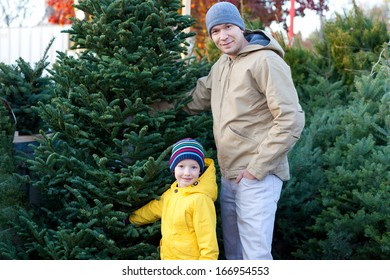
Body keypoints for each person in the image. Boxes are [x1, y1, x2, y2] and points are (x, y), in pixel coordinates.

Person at [184, 2, 305, 260]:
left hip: (257, 176)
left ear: (240, 27)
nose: (222, 36)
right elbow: (196, 98)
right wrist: (146, 101)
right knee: (234, 253)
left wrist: (256, 169)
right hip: (229, 175)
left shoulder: (266, 60)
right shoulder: (223, 64)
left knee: (255, 257)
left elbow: (291, 119)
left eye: (228, 27)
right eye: (215, 31)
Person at [124, 138, 219, 260]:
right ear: (173, 169)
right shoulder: (171, 194)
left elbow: (208, 239)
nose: (187, 173)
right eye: (181, 166)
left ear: (200, 170)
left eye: (193, 167)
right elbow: (152, 210)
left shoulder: (201, 200)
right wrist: (130, 219)